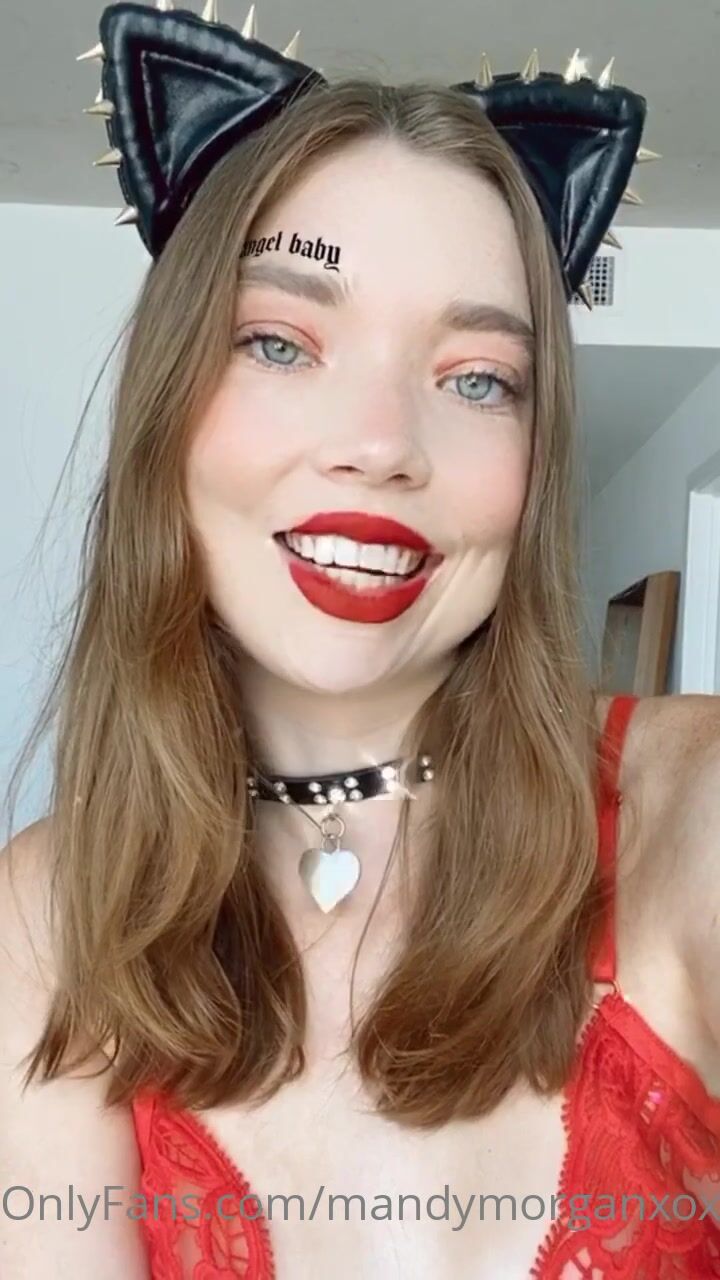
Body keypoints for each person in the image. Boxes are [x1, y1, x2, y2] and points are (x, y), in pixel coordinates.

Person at [1, 4, 719, 1277]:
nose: (383, 441)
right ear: (168, 407)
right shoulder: (44, 913)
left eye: (478, 376)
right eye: (280, 341)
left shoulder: (693, 811)